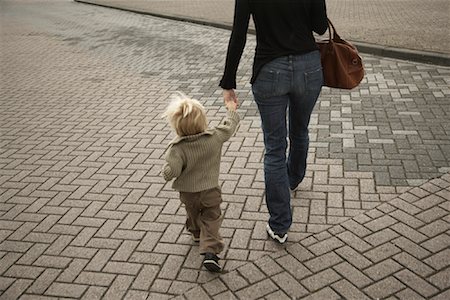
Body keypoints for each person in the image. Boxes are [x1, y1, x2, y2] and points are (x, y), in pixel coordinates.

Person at [220, 0, 328, 244]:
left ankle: (279, 225)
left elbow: (239, 34)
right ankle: (293, 179)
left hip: (270, 70)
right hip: (308, 68)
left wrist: (229, 81)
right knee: (300, 129)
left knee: (275, 148)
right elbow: (320, 27)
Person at [161, 92, 240, 272]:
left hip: (188, 193)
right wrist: (231, 109)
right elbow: (229, 126)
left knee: (193, 212)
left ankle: (196, 234)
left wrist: (165, 171)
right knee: (212, 217)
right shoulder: (214, 137)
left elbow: (171, 171)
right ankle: (210, 252)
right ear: (202, 120)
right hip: (210, 190)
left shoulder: (177, 148)